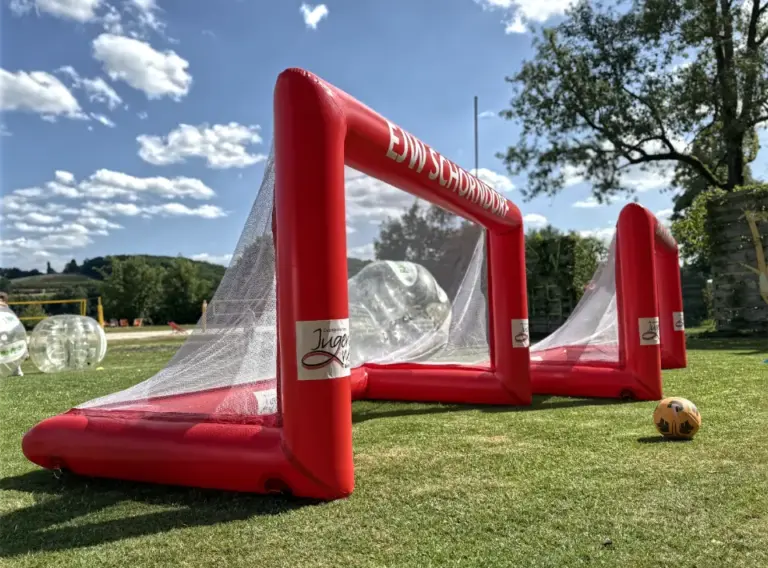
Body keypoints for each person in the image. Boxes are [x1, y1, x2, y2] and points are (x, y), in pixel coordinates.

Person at [0, 292, 24, 377]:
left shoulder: (6, 309)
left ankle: (17, 370)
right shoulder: (6, 309)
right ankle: (16, 371)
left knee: (11, 353)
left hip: (8, 332)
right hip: (5, 332)